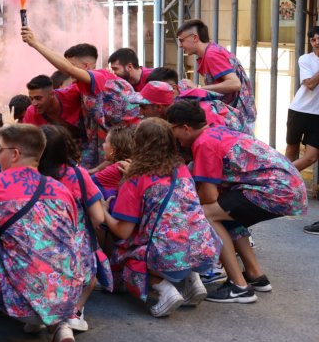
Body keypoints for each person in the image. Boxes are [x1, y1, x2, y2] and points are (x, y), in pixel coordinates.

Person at [166, 101, 307, 303]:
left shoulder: (204, 143)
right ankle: (255, 275)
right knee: (226, 216)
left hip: (276, 190)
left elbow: (209, 196)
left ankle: (239, 287)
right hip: (287, 186)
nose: (174, 138)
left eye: (173, 130)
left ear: (185, 127)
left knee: (207, 213)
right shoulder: (217, 131)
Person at [0, 124, 83, 342]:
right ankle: (60, 328)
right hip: (67, 291)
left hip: (17, 297)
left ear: (15, 154)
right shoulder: (61, 189)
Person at [102, 118, 221, 317]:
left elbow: (123, 230)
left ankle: (164, 289)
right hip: (204, 246)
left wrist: (103, 212)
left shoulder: (135, 179)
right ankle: (192, 280)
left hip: (168, 254)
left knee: (123, 256)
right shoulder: (182, 169)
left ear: (137, 143)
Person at [21, 28, 139, 167]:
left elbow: (68, 70)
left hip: (130, 145)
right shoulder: (78, 89)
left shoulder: (100, 77)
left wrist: (35, 43)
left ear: (86, 66)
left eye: (72, 65)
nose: (67, 71)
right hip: (102, 150)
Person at [37, 125, 106, 331]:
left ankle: (39, 314)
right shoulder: (78, 175)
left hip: (37, 248)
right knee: (90, 277)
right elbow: (98, 217)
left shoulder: (27, 178)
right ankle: (75, 312)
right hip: (74, 249)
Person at [176, 19, 256, 129]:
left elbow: (235, 84)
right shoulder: (211, 51)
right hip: (238, 115)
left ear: (195, 37)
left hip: (238, 118)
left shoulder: (211, 55)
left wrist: (199, 89)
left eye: (181, 40)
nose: (180, 45)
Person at [286, 26, 319, 177]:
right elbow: (310, 84)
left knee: (311, 157)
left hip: (317, 115)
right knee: (292, 151)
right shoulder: (305, 59)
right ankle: (284, 185)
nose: (317, 42)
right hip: (299, 110)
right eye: (313, 40)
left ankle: (280, 177)